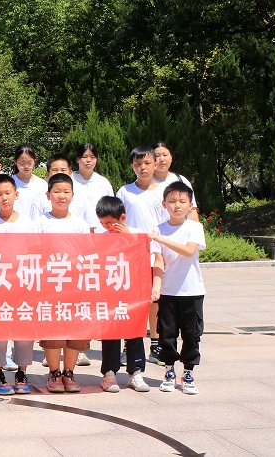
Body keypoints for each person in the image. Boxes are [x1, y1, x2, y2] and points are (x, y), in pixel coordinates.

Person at [0, 173, 37, 395]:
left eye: (8, 193)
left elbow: (35, 253)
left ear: (16, 194)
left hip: (23, 282)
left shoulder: (28, 223)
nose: (4, 198)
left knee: (23, 329)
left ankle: (22, 372)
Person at [37, 173, 91, 393]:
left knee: (75, 331)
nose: (61, 196)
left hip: (75, 285)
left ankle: (69, 372)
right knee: (53, 332)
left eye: (66, 192)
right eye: (57, 192)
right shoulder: (40, 222)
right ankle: (54, 372)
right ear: (48, 194)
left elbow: (88, 253)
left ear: (73, 195)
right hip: (49, 285)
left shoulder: (80, 223)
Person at [151, 182, 205, 395]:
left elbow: (189, 251)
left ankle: (188, 373)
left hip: (192, 291)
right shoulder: (158, 229)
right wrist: (156, 287)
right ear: (164, 204)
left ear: (190, 205)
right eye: (172, 201)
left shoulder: (194, 228)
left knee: (192, 335)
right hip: (168, 292)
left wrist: (161, 239)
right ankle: (169, 371)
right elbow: (159, 261)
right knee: (167, 334)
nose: (177, 205)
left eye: (182, 201)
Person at [117, 145, 168, 364]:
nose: (143, 168)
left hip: (156, 254)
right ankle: (128, 344)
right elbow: (118, 222)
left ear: (155, 164)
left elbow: (168, 223)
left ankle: (155, 345)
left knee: (155, 299)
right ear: (132, 166)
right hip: (131, 255)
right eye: (138, 164)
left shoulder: (164, 192)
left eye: (147, 163)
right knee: (131, 301)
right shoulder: (125, 192)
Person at [95, 196, 151, 393]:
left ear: (123, 218)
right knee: (110, 332)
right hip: (110, 292)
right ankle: (109, 374)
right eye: (103, 223)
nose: (107, 227)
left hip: (133, 293)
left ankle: (136, 373)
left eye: (111, 222)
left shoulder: (137, 235)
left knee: (135, 332)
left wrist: (128, 238)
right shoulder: (101, 238)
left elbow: (145, 259)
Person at [153, 142, 199, 221]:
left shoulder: (181, 180)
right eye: (157, 156)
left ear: (171, 158)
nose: (162, 159)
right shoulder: (143, 184)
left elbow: (191, 212)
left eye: (165, 155)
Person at [73, 143, 114, 219]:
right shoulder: (69, 180)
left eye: (92, 157)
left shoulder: (103, 182)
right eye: (84, 157)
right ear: (77, 159)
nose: (88, 160)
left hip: (98, 225)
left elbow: (111, 208)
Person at [11, 144, 47, 224]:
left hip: (37, 227)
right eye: (22, 163)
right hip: (15, 226)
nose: (26, 166)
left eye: (29, 163)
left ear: (35, 161)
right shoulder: (10, 183)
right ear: (15, 162)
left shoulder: (42, 184)